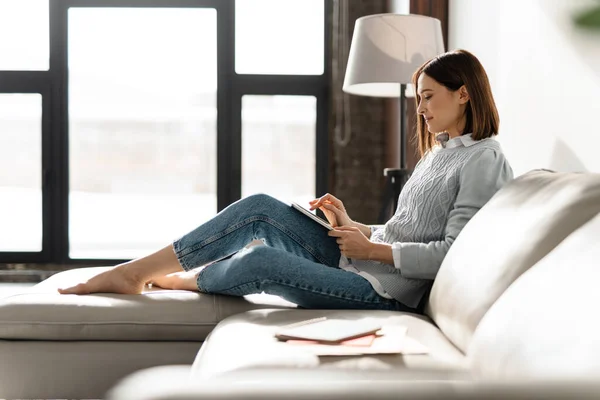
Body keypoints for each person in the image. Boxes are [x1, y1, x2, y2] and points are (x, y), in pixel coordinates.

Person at [58, 49, 513, 314]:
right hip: (369, 263)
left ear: (464, 93)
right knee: (260, 207)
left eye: (429, 97)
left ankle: (184, 279)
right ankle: (136, 272)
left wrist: (371, 250)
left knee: (260, 263)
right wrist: (354, 227)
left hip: (388, 293)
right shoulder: (439, 153)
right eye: (419, 99)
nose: (421, 108)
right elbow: (407, 229)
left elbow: (452, 255)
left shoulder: (484, 160)